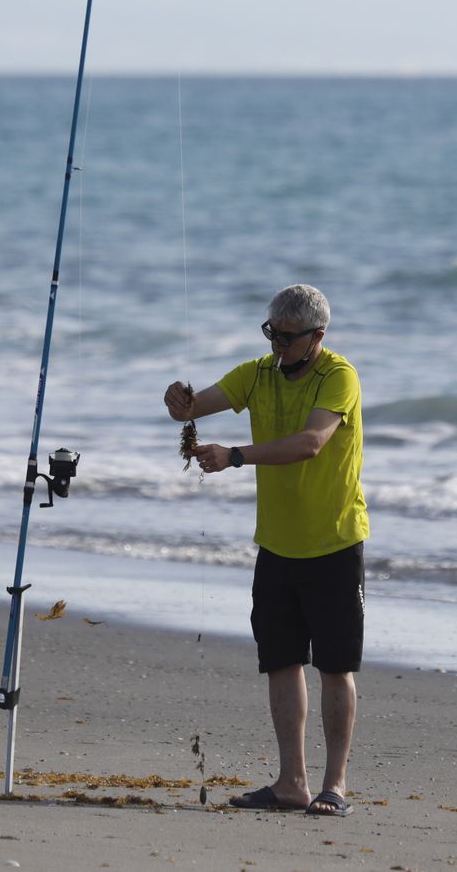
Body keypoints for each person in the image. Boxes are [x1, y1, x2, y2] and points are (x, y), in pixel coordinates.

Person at [163, 283, 369, 818]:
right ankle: (291, 783)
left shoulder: (338, 377)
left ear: (316, 338)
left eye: (286, 337)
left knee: (335, 666)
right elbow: (196, 406)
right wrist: (178, 402)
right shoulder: (257, 373)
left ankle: (335, 786)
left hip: (334, 542)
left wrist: (233, 456)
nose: (276, 345)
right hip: (276, 545)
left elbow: (310, 443)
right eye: (271, 333)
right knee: (280, 661)